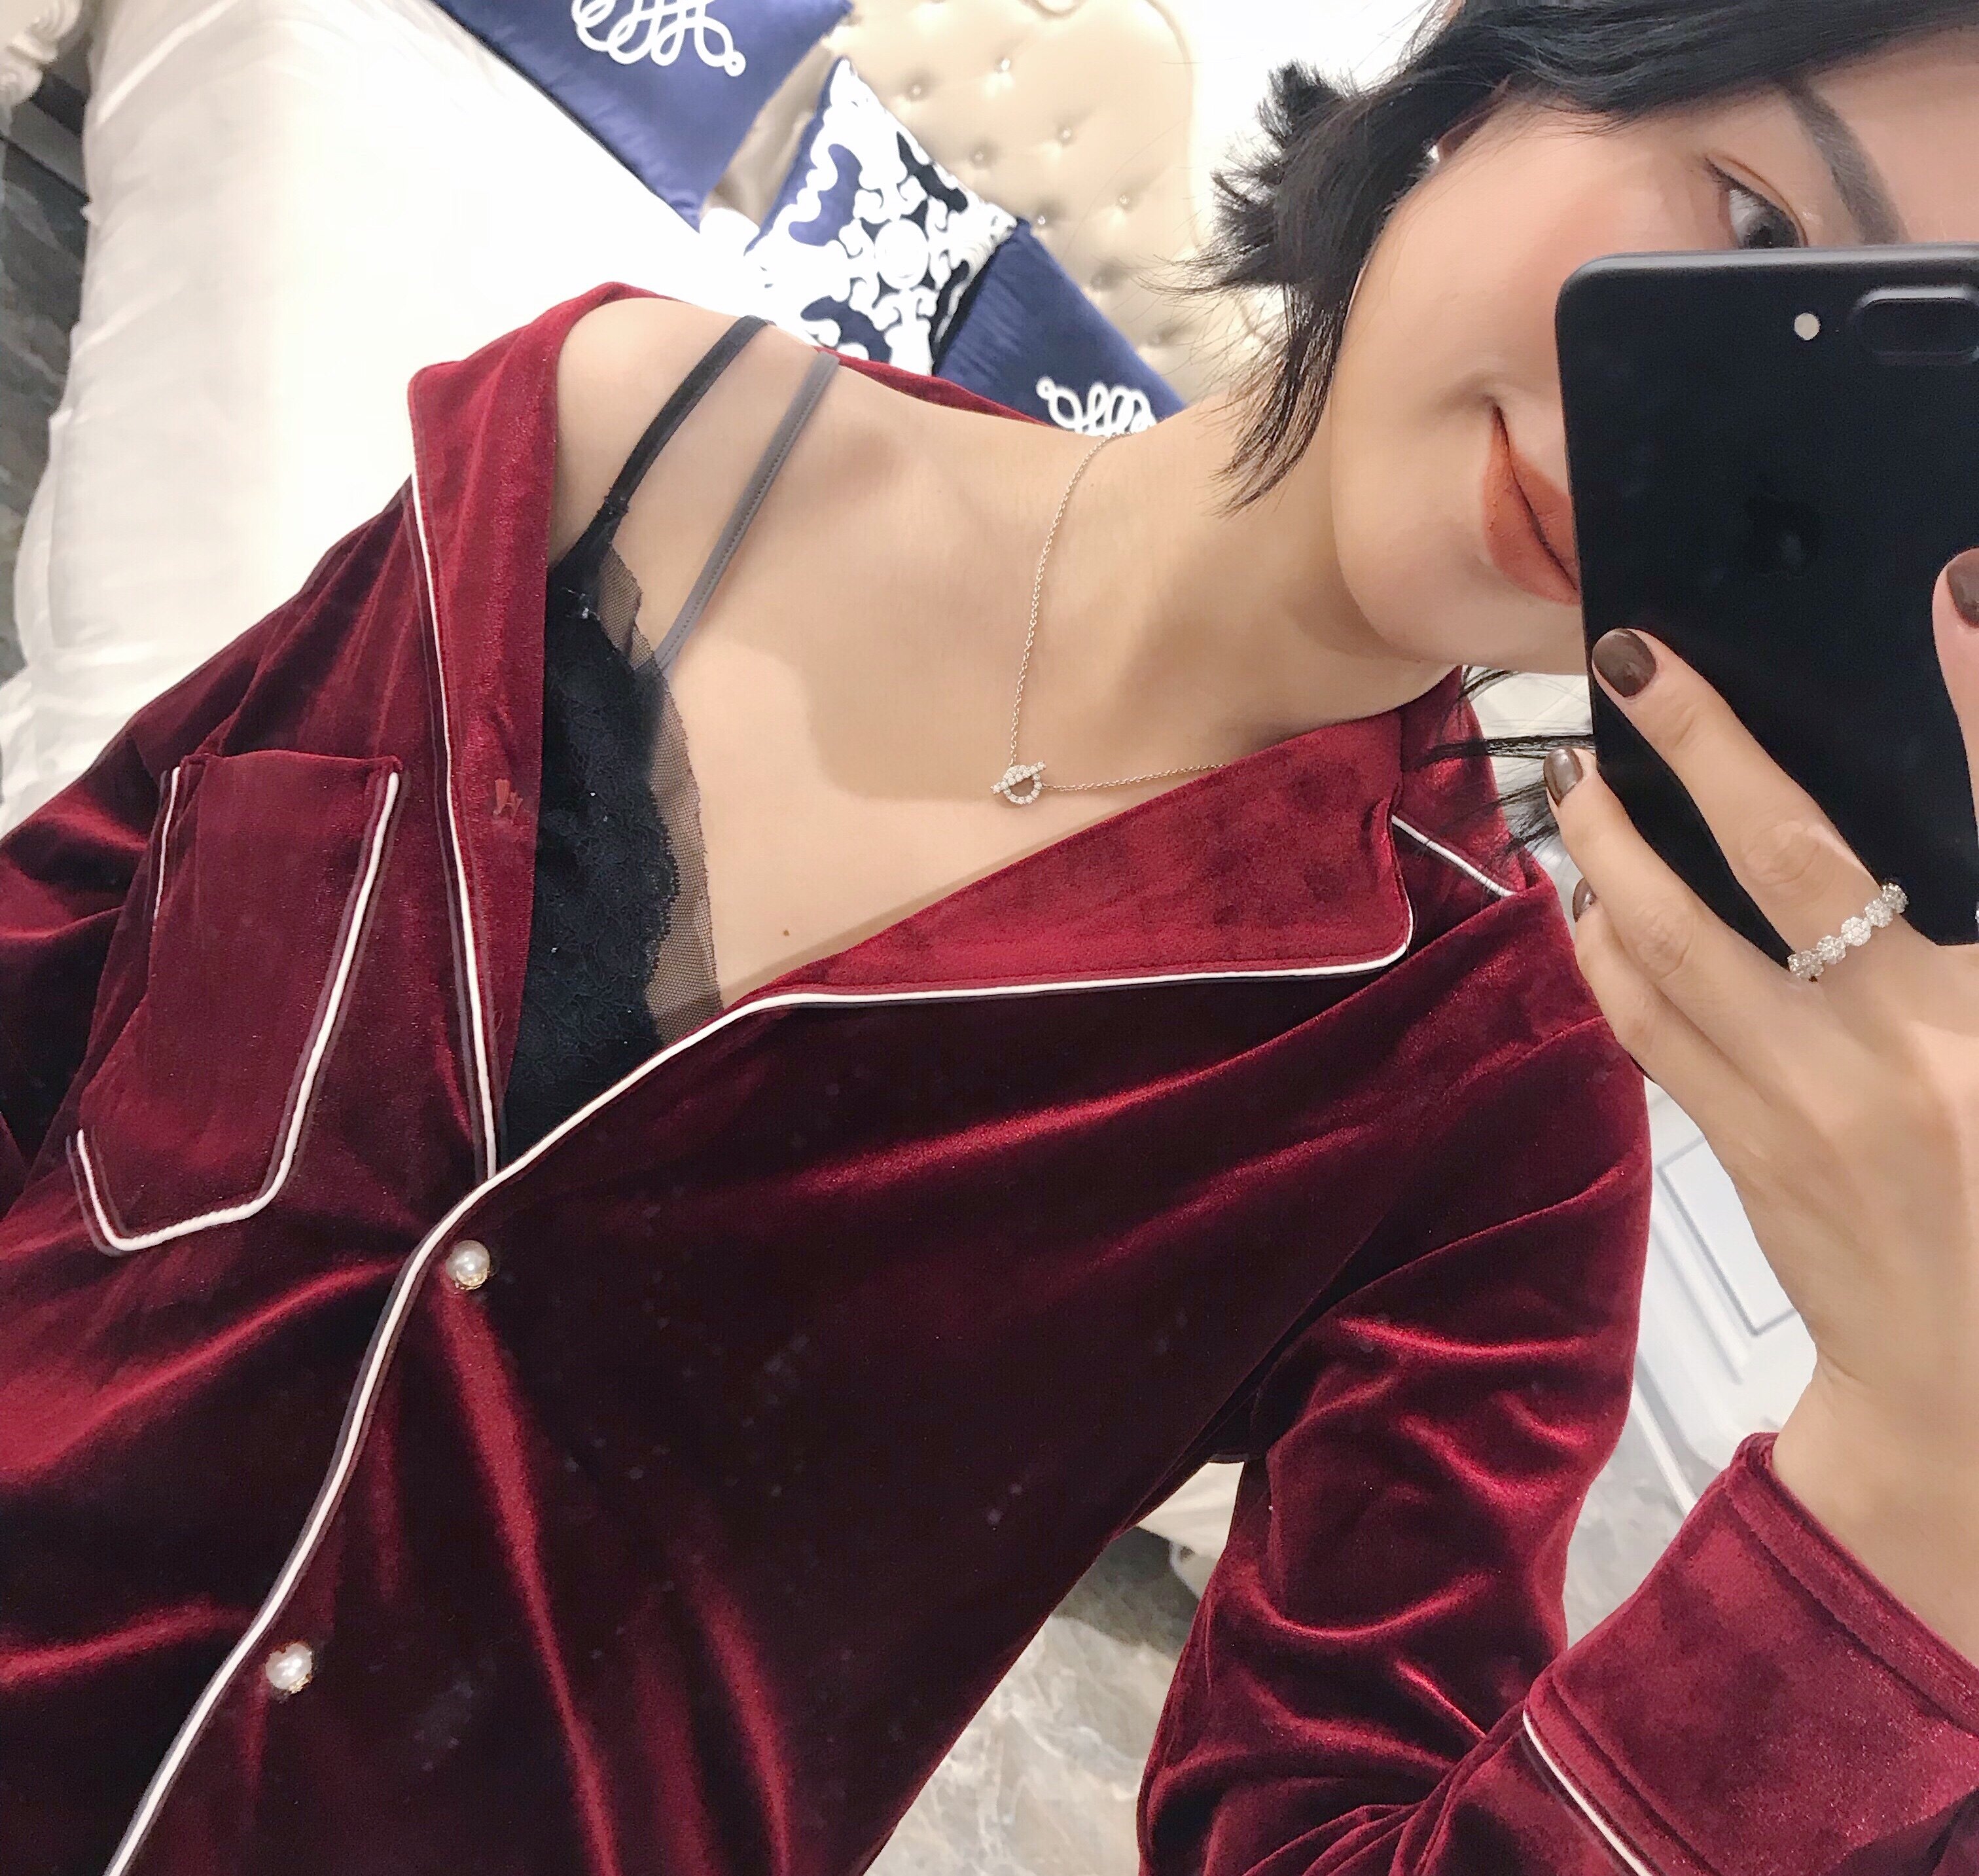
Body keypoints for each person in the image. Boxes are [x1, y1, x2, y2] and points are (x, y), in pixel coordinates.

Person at [1, 3, 1976, 1872]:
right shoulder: (619, 434)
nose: (1701, 440)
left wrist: (1914, 1495)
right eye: (1754, 230)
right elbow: (65, 956)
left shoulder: (1488, 1112)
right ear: (1503, 75)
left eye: (1863, 445)